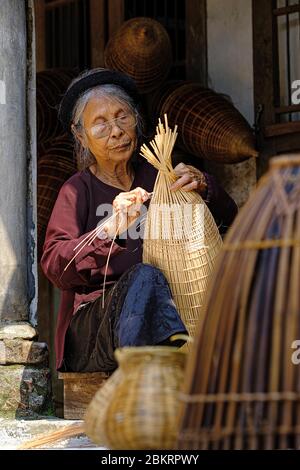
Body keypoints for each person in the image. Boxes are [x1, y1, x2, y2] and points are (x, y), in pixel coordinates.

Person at [41, 68, 238, 373]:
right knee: (144, 275)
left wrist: (204, 185)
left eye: (123, 117)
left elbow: (228, 223)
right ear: (80, 135)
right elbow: (55, 266)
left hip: (173, 311)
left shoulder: (160, 179)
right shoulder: (77, 191)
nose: (116, 131)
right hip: (97, 334)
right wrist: (106, 231)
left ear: (136, 120)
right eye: (100, 124)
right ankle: (148, 376)